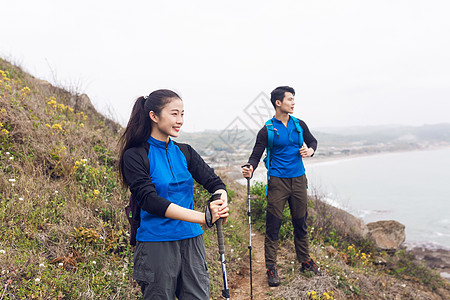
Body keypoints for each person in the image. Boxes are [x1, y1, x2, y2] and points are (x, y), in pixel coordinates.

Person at [119, 89, 229, 299]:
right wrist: (203, 217)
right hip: (156, 243)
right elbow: (150, 201)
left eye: (182, 114)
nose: (180, 120)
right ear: (154, 116)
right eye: (174, 114)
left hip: (192, 241)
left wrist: (221, 202)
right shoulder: (135, 155)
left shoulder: (185, 151)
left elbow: (215, 182)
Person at [242, 86, 319, 287]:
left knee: (300, 222)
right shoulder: (267, 130)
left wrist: (310, 150)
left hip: (299, 180)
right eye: (290, 99)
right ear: (278, 102)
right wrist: (249, 167)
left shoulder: (299, 124)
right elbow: (256, 154)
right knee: (273, 225)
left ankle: (305, 261)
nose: (293, 103)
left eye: (294, 99)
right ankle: (271, 267)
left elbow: (312, 141)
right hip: (277, 182)